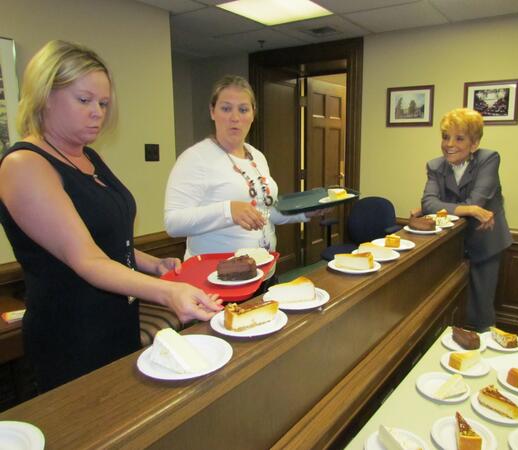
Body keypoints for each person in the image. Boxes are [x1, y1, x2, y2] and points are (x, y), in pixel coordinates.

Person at [0, 40, 223, 392]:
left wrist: (153, 265)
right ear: (44, 96)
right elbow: (87, 259)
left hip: (116, 318)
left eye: (103, 103)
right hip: (71, 331)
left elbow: (107, 242)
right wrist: (168, 293)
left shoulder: (87, 157)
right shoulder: (24, 165)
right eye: (84, 100)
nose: (98, 112)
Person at [164, 75, 328, 262]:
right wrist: (228, 211)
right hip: (216, 276)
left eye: (243, 109)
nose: (235, 118)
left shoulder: (256, 156)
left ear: (253, 114)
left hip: (263, 269)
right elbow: (173, 223)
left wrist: (303, 212)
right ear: (212, 111)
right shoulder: (195, 158)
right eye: (226, 108)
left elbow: (264, 212)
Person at [418, 108, 512, 331]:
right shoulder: (435, 165)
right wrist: (469, 209)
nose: (449, 144)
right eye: (445, 137)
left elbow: (476, 199)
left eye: (459, 138)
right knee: (450, 305)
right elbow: (428, 204)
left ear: (475, 143)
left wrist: (465, 207)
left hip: (484, 243)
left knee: (481, 310)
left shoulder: (489, 159)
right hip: (451, 246)